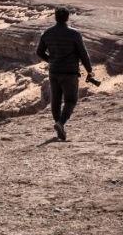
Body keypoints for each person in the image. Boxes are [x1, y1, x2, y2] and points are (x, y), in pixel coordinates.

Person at [36, 7, 94, 141]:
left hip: (54, 72)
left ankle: (58, 125)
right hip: (69, 73)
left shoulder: (47, 33)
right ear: (67, 18)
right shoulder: (74, 34)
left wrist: (51, 60)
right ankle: (60, 123)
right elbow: (82, 53)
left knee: (55, 100)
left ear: (55, 17)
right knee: (71, 100)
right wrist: (89, 69)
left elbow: (39, 52)